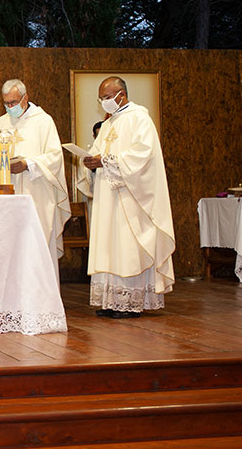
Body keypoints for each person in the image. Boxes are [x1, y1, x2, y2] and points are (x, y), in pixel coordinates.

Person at [82, 76, 175, 318]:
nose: (103, 102)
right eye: (101, 98)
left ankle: (131, 302)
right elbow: (97, 152)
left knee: (127, 246)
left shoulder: (139, 118)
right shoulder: (110, 123)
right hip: (108, 196)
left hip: (130, 198)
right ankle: (112, 301)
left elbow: (142, 156)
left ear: (120, 95)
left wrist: (105, 161)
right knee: (110, 246)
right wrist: (90, 161)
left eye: (106, 97)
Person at [0, 79, 70, 279]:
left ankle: (41, 302)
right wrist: (0, 166)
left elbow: (54, 157)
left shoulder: (43, 121)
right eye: (6, 103)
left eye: (14, 102)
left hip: (37, 196)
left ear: (25, 98)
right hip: (7, 196)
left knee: (37, 244)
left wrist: (27, 164)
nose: (10, 107)